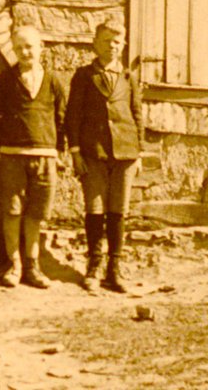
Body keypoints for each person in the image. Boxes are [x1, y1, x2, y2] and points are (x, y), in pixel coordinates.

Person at [0, 20, 67, 288]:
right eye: (19, 47)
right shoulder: (5, 80)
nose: (25, 52)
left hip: (45, 154)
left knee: (36, 212)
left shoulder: (53, 81)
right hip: (12, 155)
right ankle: (14, 265)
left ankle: (33, 265)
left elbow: (62, 117)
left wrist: (60, 151)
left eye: (29, 46)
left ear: (41, 48)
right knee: (12, 210)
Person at [64, 20, 142, 293]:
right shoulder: (84, 76)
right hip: (93, 153)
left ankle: (114, 268)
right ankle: (94, 264)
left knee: (118, 211)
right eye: (107, 40)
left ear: (123, 45)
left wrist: (138, 151)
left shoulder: (129, 77)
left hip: (125, 153)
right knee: (95, 210)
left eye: (118, 41)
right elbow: (72, 116)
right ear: (96, 44)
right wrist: (75, 151)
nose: (113, 45)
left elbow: (136, 114)